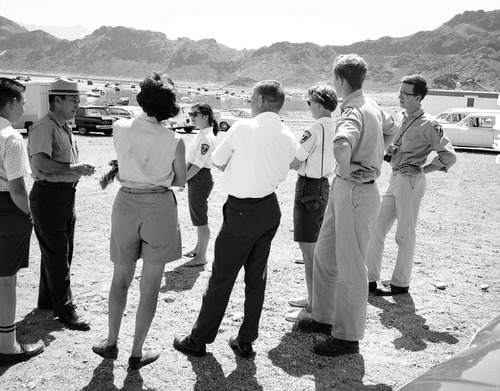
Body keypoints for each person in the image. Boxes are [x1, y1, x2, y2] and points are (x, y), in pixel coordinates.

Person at [173, 80, 296, 358]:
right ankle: (246, 340)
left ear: (262, 100)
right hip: (269, 208)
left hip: (242, 210)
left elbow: (217, 160)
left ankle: (199, 338)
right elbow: (289, 163)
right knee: (256, 277)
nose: (250, 102)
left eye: (252, 97)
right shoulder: (288, 134)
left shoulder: (243, 127)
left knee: (222, 276)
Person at [297, 54, 397, 357]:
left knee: (352, 267)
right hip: (348, 189)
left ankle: (348, 337)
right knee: (326, 256)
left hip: (355, 189)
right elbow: (392, 129)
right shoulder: (373, 105)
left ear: (340, 80)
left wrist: (352, 166)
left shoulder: (353, 109)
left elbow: (342, 144)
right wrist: (376, 151)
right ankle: (325, 318)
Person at [92, 73, 186, 371]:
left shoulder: (121, 127)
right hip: (158, 206)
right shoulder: (174, 139)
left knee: (120, 280)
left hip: (126, 204)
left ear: (142, 98)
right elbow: (180, 180)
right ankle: (136, 352)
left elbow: (120, 163)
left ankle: (110, 343)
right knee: (150, 286)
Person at [367, 75, 457, 295]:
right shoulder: (402, 116)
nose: (400, 96)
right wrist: (390, 152)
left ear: (418, 97)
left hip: (411, 181)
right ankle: (369, 279)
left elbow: (449, 156)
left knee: (405, 234)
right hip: (396, 178)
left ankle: (400, 283)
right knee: (376, 227)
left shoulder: (430, 123)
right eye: (399, 92)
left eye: (404, 94)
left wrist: (422, 169)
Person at [28, 77, 95, 330]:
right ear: (57, 100)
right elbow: (40, 163)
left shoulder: (64, 125)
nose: (78, 104)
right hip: (49, 196)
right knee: (58, 254)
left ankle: (48, 301)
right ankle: (66, 311)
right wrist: (75, 168)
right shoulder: (44, 127)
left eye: (78, 100)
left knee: (58, 251)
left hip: (65, 195)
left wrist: (77, 171)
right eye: (74, 100)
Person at [0, 78, 44, 365]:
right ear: (13, 102)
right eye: (23, 102)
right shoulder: (10, 137)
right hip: (6, 210)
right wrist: (29, 214)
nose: (24, 108)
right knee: (6, 281)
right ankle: (7, 345)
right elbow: (17, 189)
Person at [285, 84, 337, 323]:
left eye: (309, 103)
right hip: (323, 185)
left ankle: (314, 307)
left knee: (309, 252)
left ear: (317, 102)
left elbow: (296, 161)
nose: (309, 107)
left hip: (308, 186)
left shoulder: (314, 128)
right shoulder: (335, 126)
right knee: (314, 247)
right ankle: (314, 298)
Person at [182, 103, 218, 267]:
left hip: (199, 177)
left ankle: (201, 256)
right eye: (190, 114)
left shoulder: (207, 138)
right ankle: (198, 248)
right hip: (196, 176)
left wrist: (183, 179)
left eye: (194, 114)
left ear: (205, 116)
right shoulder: (202, 134)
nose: (191, 117)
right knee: (197, 216)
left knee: (200, 218)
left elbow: (198, 164)